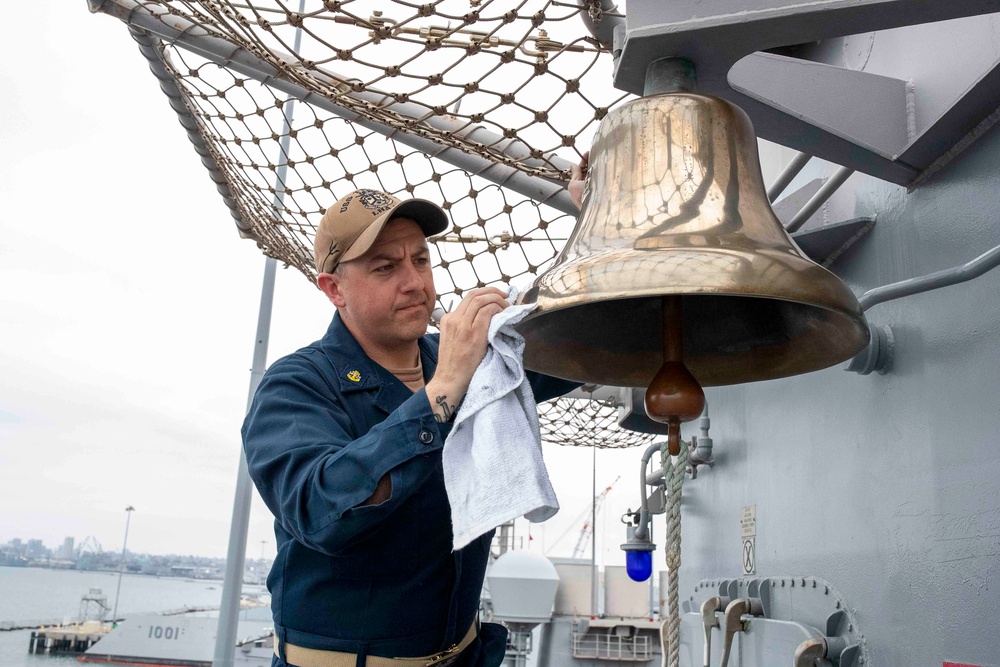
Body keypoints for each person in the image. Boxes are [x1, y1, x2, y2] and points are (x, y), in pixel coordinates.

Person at [243, 163, 588, 667]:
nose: (414, 283)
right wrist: (443, 389)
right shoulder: (296, 385)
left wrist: (593, 223)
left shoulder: (471, 357)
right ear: (334, 289)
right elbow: (321, 511)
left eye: (420, 259)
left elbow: (587, 338)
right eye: (385, 267)